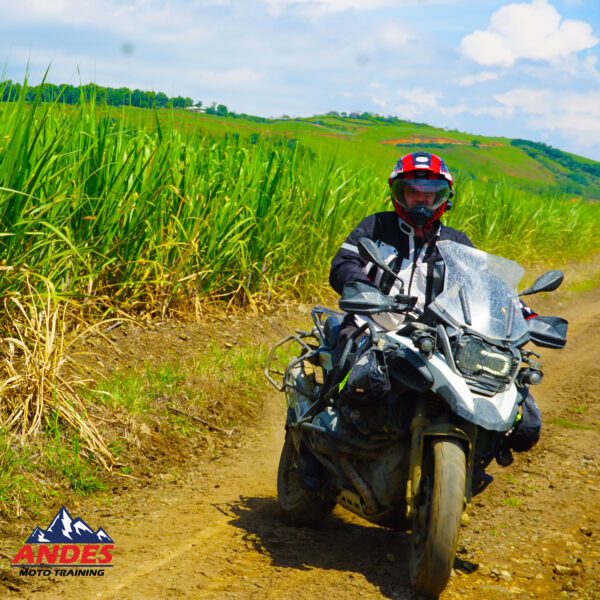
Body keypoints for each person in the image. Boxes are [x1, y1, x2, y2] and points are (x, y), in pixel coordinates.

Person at [328, 151, 541, 460]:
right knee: (353, 369)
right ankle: (328, 429)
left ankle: (480, 447)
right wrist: (361, 287)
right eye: (413, 191)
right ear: (398, 194)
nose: (421, 200)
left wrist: (522, 311)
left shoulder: (456, 241)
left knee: (508, 390)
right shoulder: (376, 226)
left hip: (438, 333)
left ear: (443, 198)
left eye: (430, 194)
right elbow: (344, 262)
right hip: (375, 321)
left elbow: (489, 283)